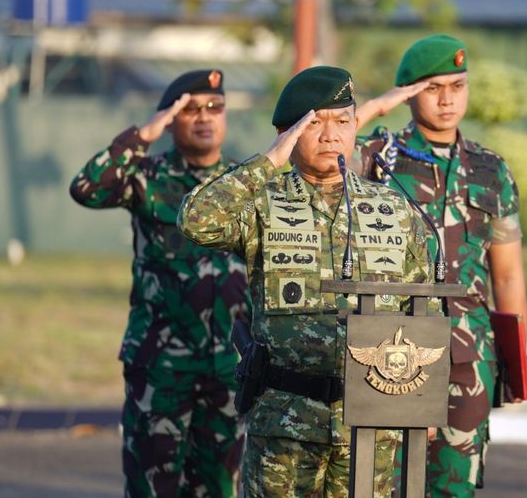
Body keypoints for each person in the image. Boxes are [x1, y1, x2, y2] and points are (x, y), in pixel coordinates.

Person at [178, 66, 433, 497]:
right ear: (288, 133)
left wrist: (420, 401)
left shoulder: (394, 207)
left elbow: (423, 305)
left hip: (372, 423)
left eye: (343, 121)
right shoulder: (262, 204)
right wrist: (268, 161)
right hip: (285, 424)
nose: (332, 135)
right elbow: (195, 220)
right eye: (315, 123)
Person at [354, 34, 527, 497]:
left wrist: (515, 365)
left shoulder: (492, 170)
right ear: (409, 93)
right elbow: (315, 145)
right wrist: (379, 104)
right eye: (433, 88)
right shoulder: (377, 158)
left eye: (458, 85)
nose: (448, 99)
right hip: (391, 350)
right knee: (382, 486)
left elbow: (507, 274)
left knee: (456, 488)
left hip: (469, 358)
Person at [69, 69, 249, 498]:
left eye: (215, 108)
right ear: (172, 119)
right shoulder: (147, 176)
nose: (205, 118)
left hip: (229, 363)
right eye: (190, 110)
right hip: (161, 365)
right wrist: (145, 133)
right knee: (152, 485)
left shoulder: (244, 184)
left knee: (221, 487)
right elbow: (86, 188)